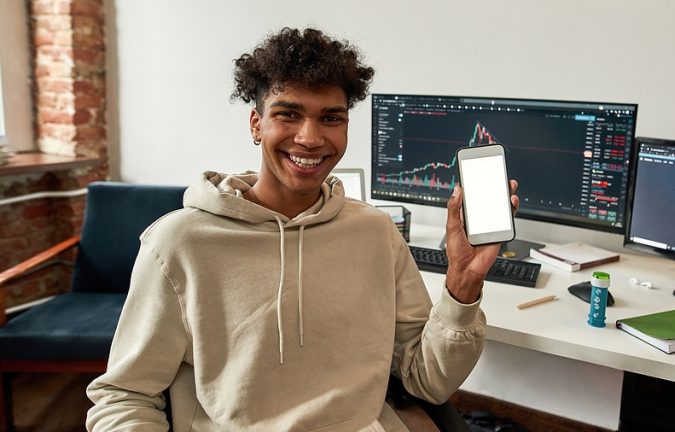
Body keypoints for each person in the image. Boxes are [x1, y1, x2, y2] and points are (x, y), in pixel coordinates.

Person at [86, 27, 519, 431]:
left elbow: (427, 382)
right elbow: (124, 395)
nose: (311, 138)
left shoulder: (376, 232)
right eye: (288, 114)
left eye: (331, 118)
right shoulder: (179, 242)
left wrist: (463, 283)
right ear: (257, 125)